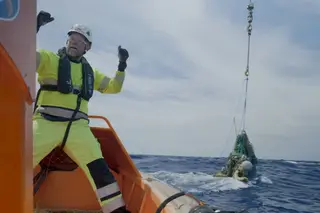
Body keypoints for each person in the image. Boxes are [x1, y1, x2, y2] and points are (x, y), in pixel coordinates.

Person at [34, 11, 130, 213]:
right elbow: (23, 57)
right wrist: (34, 28)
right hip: (45, 123)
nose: (74, 42)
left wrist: (122, 65)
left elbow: (114, 87)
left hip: (78, 128)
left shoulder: (91, 73)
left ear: (88, 47)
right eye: (71, 38)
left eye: (80, 40)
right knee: (16, 160)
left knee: (100, 169)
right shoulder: (47, 58)